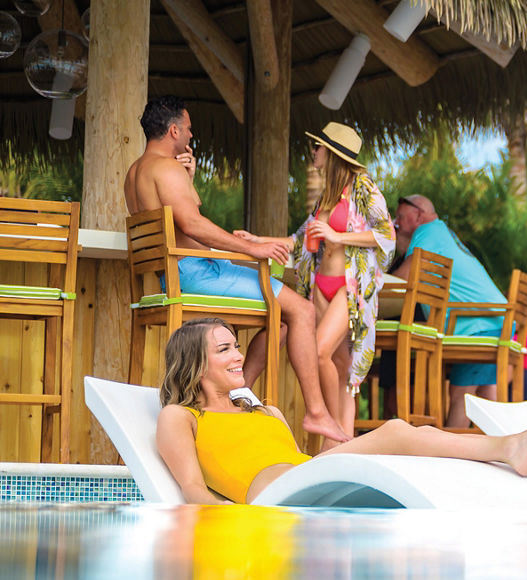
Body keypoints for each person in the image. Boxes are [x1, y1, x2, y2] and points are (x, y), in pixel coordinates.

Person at [155, 318, 527, 505]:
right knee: (394, 431)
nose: (239, 356)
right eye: (225, 348)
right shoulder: (181, 416)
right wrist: (230, 520)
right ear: (193, 362)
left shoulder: (266, 411)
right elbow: (192, 488)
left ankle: (513, 447)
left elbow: (296, 462)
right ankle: (510, 446)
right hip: (268, 496)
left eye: (236, 345)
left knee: (415, 437)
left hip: (306, 478)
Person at [124, 95, 348, 444]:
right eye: (188, 130)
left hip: (179, 274)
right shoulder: (165, 169)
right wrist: (252, 248)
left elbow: (182, 220)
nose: (190, 137)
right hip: (197, 274)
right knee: (302, 310)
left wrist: (190, 176)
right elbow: (193, 224)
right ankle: (316, 413)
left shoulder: (136, 171)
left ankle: (235, 400)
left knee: (284, 324)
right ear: (173, 130)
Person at [251, 123, 394, 440]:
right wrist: (256, 240)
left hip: (348, 288)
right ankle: (342, 441)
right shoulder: (326, 196)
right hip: (321, 286)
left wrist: (337, 235)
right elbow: (298, 239)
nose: (313, 152)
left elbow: (387, 235)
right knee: (338, 364)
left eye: (317, 148)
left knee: (318, 353)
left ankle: (337, 435)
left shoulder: (363, 188)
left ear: (331, 154)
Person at [391, 194, 507, 427]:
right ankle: (506, 451)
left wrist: (368, 285)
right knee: (486, 400)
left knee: (461, 396)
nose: (395, 222)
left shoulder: (427, 231)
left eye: (401, 217)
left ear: (419, 214)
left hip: (476, 323)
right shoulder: (442, 233)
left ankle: (450, 459)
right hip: (495, 319)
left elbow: (404, 277)